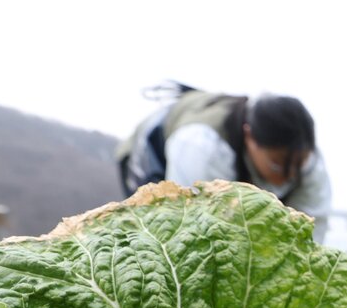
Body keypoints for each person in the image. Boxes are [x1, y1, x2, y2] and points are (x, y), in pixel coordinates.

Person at [116, 84, 333, 242]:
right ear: (249, 137)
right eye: (276, 164)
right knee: (158, 234)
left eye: (300, 165)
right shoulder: (202, 147)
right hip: (152, 155)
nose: (290, 176)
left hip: (231, 175)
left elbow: (313, 230)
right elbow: (188, 222)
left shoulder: (309, 162)